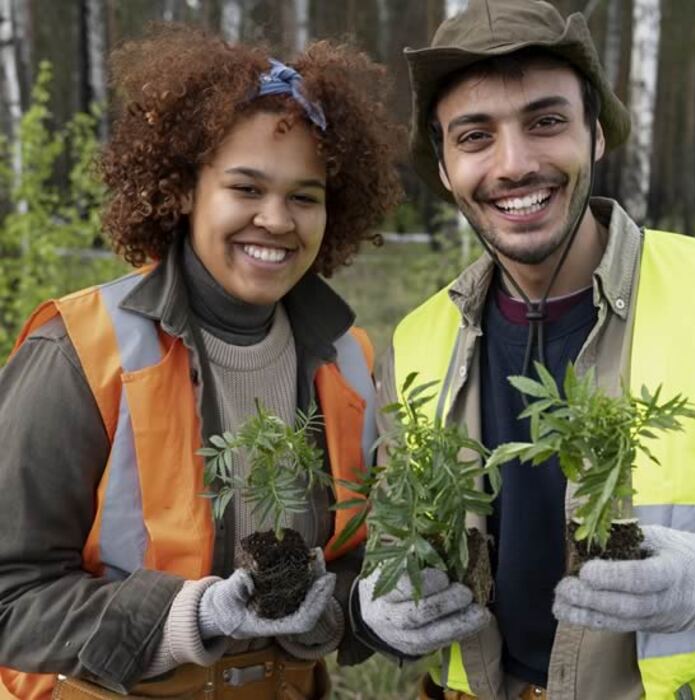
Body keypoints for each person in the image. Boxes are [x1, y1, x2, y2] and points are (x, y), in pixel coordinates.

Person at [354, 1, 695, 699]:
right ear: (446, 167)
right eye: (475, 136)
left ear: (596, 135)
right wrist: (379, 601)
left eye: (546, 122)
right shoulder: (419, 342)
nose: (515, 164)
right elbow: (397, 533)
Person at [0, 24, 402, 700]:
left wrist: (353, 608)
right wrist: (189, 617)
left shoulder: (349, 361)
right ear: (184, 190)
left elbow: (353, 560)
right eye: (245, 188)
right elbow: (10, 595)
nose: (276, 219)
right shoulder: (80, 347)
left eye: (305, 196)